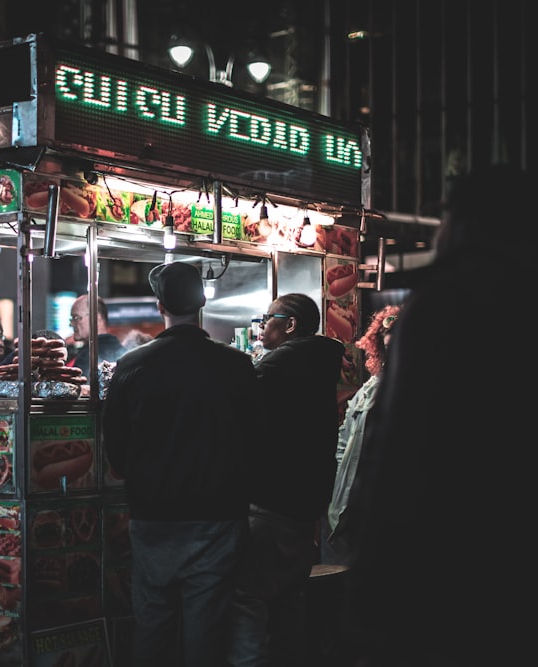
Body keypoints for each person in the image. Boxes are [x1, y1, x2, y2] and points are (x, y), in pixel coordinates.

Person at [341, 165, 538, 667]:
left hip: (439, 581)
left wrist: (371, 592)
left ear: (468, 223)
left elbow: (401, 456)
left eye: (446, 216)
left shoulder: (446, 308)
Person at [102, 261, 260, 667]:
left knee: (152, 623)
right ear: (203, 303)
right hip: (217, 517)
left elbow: (115, 452)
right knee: (204, 626)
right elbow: (254, 440)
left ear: (160, 307)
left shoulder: (132, 366)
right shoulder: (237, 366)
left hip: (153, 516)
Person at [226, 293, 345, 667]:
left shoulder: (281, 363)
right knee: (287, 603)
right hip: (303, 507)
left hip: (270, 501)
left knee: (247, 599)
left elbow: (235, 410)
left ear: (289, 324)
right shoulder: (321, 361)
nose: (261, 325)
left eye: (267, 318)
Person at [323, 304, 401, 566]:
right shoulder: (369, 389)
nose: (390, 341)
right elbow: (343, 441)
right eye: (384, 337)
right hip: (349, 503)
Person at [67, 295, 127, 373]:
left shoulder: (89, 356)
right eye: (71, 319)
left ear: (96, 318)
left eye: (76, 318)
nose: (71, 324)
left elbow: (77, 383)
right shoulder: (124, 353)